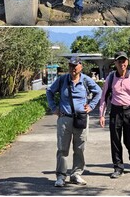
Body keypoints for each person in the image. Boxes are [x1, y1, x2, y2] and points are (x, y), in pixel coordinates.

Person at [46, 56, 102, 187]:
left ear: (81, 66)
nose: (73, 68)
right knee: (62, 149)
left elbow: (98, 91)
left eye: (75, 66)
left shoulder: (86, 80)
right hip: (65, 119)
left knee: (79, 148)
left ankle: (76, 174)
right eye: (71, 66)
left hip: (81, 119)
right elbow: (49, 91)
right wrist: (53, 108)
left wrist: (91, 106)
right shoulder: (62, 80)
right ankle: (61, 176)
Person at [99, 51, 130, 178]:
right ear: (115, 63)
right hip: (116, 112)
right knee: (115, 141)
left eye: (124, 61)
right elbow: (104, 97)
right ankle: (118, 167)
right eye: (119, 61)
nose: (122, 63)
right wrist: (102, 114)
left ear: (127, 62)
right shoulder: (110, 78)